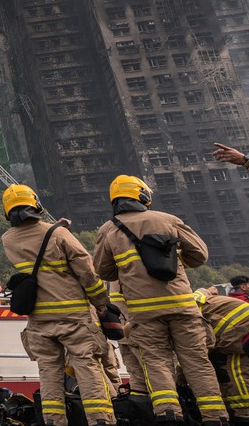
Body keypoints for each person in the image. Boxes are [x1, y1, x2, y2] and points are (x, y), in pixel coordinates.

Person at [93, 175, 227, 425]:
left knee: (156, 363)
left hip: (143, 314)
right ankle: (215, 416)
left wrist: (131, 271)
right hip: (183, 308)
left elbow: (103, 271)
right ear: (142, 195)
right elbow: (200, 255)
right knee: (196, 362)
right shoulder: (168, 220)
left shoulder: (108, 230)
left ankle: (168, 414)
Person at [0, 184, 115, 426]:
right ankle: (100, 420)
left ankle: (53, 421)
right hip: (72, 316)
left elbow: (35, 246)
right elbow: (86, 271)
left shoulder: (8, 240)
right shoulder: (58, 234)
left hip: (38, 321)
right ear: (36, 204)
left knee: (49, 372)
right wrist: (101, 302)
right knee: (87, 367)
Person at [194, 287, 249, 424]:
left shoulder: (190, 312)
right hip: (237, 331)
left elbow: (197, 351)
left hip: (240, 332)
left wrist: (181, 377)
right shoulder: (199, 301)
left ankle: (244, 412)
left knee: (236, 372)